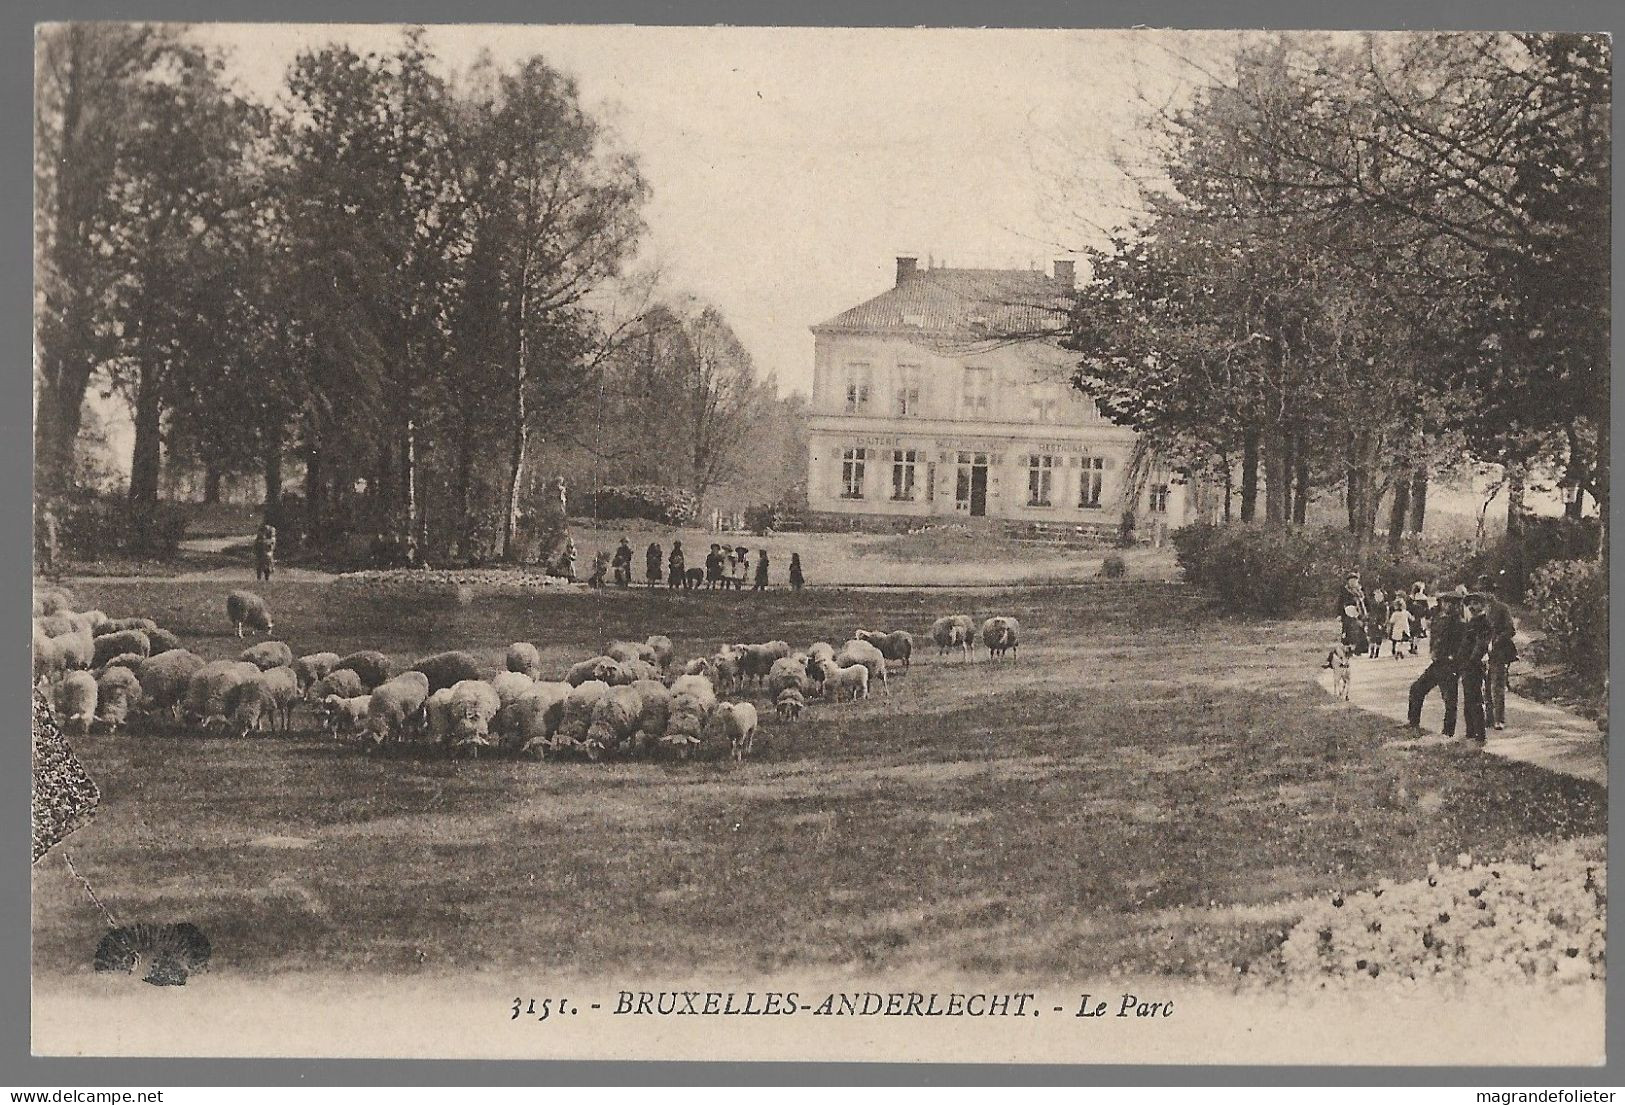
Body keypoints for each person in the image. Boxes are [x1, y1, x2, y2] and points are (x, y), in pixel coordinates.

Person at [1405, 587, 1466, 737]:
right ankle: (1413, 723)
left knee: (1449, 700)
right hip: (1438, 663)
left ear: (1457, 606)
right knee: (1417, 689)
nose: (1447, 606)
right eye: (1445, 603)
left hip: (1449, 665)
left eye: (1451, 604)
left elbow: (1462, 646)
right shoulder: (1441, 618)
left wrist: (1454, 659)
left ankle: (1448, 732)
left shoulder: (1459, 623)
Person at [1476, 573, 1519, 731]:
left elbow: (1510, 630)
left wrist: (1496, 641)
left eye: (1486, 591)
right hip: (1482, 654)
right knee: (1486, 687)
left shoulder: (1502, 608)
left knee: (1497, 686)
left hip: (1499, 653)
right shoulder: (1478, 610)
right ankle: (1489, 718)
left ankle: (1499, 719)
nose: (1484, 594)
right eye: (1481, 591)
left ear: (1492, 592)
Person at [1457, 593, 1494, 744]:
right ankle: (1470, 732)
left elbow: (1481, 645)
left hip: (1475, 665)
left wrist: (1471, 661)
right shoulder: (1471, 622)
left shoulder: (1484, 623)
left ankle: (1480, 734)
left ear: (1483, 605)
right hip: (1466, 665)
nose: (1472, 607)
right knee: (1468, 698)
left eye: (1476, 603)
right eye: (1470, 604)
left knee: (1476, 699)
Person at [1337, 573, 1369, 654]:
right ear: (1348, 582)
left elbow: (1366, 602)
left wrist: (1368, 611)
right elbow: (1340, 603)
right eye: (1351, 580)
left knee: (1361, 629)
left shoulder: (1361, 590)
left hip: (1360, 612)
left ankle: (1361, 649)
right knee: (1349, 630)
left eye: (1355, 580)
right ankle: (1349, 648)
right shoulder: (1345, 591)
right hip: (1348, 613)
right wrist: (1339, 614)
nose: (1353, 582)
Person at [37, 501, 60, 577]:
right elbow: (42, 528)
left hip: (52, 537)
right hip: (46, 537)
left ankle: (50, 570)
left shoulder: (53, 518)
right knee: (45, 553)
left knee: (50, 553)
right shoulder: (44, 517)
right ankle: (43, 570)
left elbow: (58, 527)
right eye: (48, 508)